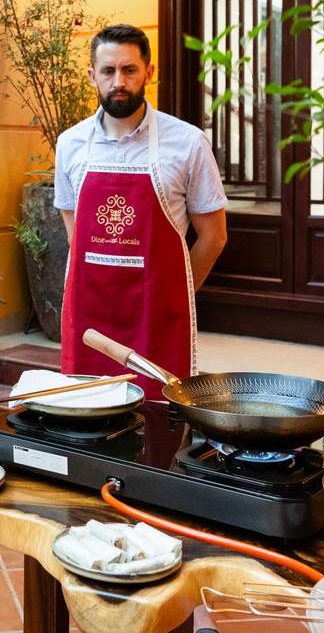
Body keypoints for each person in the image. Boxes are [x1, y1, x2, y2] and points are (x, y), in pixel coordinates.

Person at [55, 23, 228, 393]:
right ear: (92, 76)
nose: (118, 80)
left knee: (158, 420)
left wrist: (177, 294)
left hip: (157, 319)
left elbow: (214, 235)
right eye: (108, 70)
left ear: (148, 73)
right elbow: (76, 235)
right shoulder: (69, 144)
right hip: (90, 321)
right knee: (85, 413)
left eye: (129, 70)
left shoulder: (187, 142)